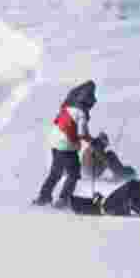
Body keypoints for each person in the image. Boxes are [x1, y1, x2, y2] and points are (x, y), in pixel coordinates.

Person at [33, 80, 97, 209]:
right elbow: (82, 134)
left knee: (55, 172)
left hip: (55, 143)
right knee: (73, 174)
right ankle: (63, 200)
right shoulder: (81, 113)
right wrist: (92, 142)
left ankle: (43, 197)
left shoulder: (67, 107)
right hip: (67, 146)